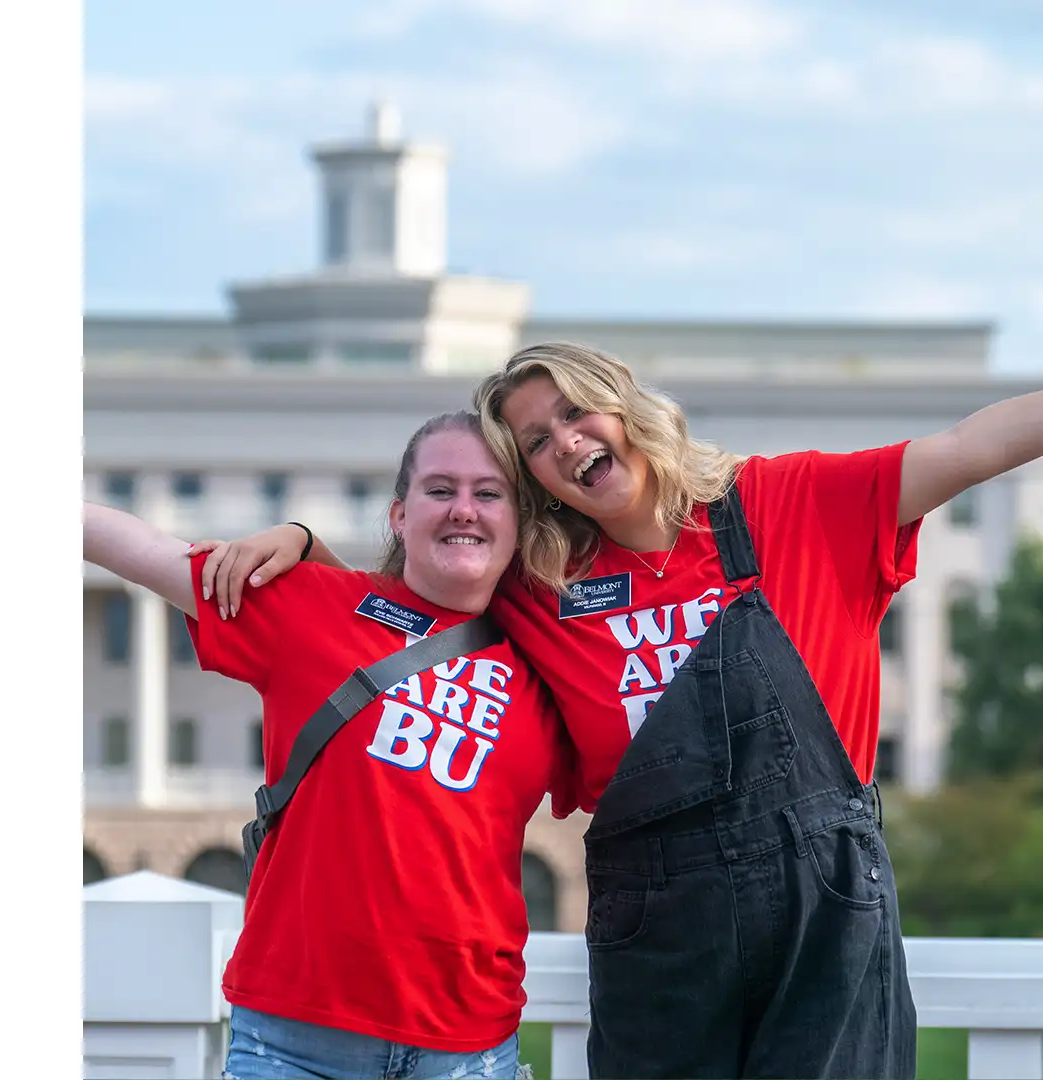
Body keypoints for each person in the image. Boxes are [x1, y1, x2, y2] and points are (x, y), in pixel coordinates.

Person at [202, 340, 1043, 1078]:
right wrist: (303, 542)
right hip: (660, 921)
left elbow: (973, 447)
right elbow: (413, 591)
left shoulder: (791, 504)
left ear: (624, 403)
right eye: (536, 440)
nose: (565, 441)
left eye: (575, 411)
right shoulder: (539, 584)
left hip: (819, 906)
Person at [85, 412, 572, 1080]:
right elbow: (144, 550)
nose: (464, 509)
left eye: (488, 494)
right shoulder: (311, 605)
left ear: (518, 523)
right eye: (440, 489)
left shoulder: (546, 667)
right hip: (293, 1038)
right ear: (399, 515)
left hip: (468, 1046)